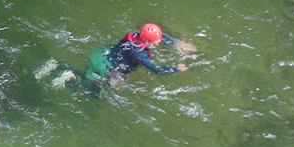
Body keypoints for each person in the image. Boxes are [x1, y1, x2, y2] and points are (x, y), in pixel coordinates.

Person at [36, 23, 197, 97]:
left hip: (104, 55)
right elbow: (157, 70)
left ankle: (56, 65)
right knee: (95, 94)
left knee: (92, 78)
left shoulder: (133, 35)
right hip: (111, 69)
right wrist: (176, 68)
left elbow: (152, 36)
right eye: (157, 40)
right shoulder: (140, 55)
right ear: (148, 42)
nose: (160, 41)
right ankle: (69, 75)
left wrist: (175, 43)